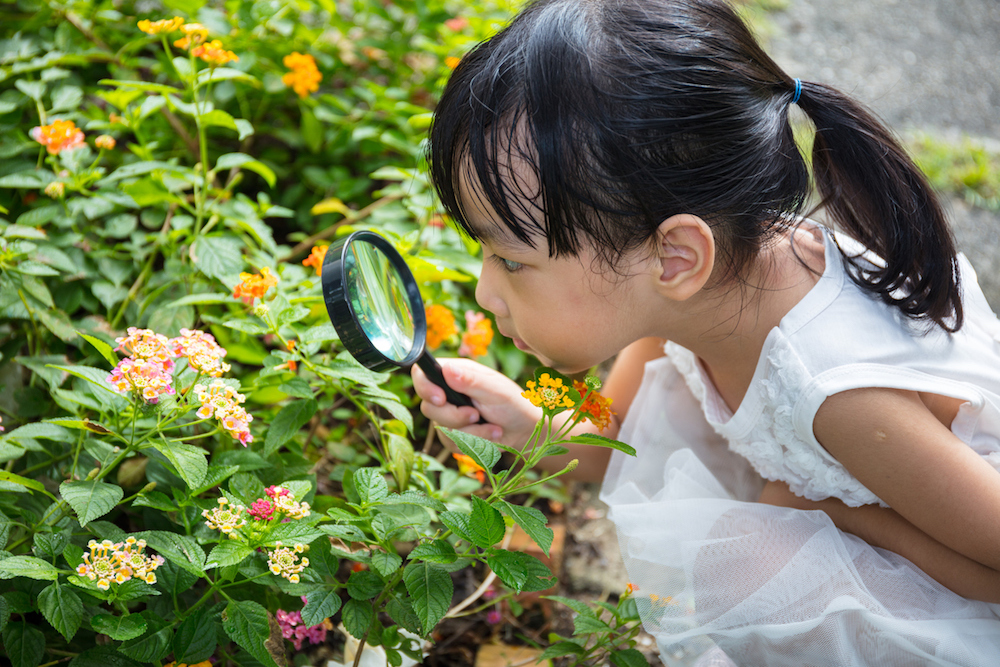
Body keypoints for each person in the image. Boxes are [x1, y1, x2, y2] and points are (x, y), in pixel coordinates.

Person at [411, 0, 1000, 664]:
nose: (487, 291)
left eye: (512, 260)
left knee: (748, 564)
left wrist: (839, 514)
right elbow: (616, 438)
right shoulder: (698, 294)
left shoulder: (839, 394)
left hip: (966, 585)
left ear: (675, 256)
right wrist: (524, 424)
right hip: (895, 506)